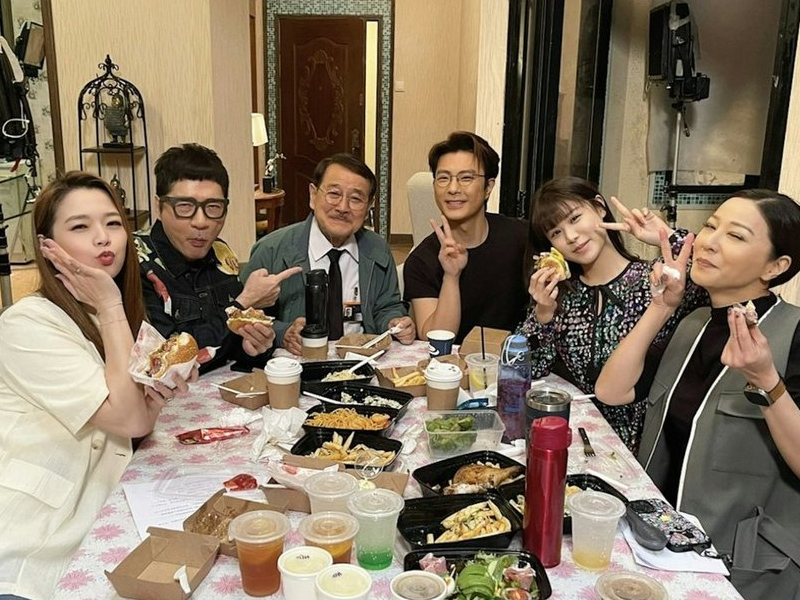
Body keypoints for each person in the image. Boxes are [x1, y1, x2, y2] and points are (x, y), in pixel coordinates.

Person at [595, 190, 800, 600]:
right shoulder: (694, 322)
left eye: (736, 236)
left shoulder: (793, 333)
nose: (709, 242)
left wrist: (766, 380)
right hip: (659, 544)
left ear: (776, 266)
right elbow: (611, 391)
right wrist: (661, 308)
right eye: (710, 226)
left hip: (742, 566)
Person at [0, 172, 191, 600]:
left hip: (97, 529)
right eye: (80, 226)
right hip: (29, 545)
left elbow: (139, 418)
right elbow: (128, 418)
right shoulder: (25, 324)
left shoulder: (115, 318)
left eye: (113, 223)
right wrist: (108, 304)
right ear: (48, 246)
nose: (103, 238)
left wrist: (160, 391)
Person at [518, 176, 707, 454]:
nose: (571, 237)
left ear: (599, 207)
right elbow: (522, 372)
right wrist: (542, 315)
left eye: (575, 218)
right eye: (556, 233)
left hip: (647, 446)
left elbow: (722, 272)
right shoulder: (562, 296)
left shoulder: (655, 280)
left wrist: (666, 235)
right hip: (577, 441)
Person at [134, 143, 300, 372]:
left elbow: (229, 346)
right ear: (159, 206)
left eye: (213, 207)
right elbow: (166, 361)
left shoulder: (221, 253)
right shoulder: (136, 262)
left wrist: (254, 347)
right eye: (185, 206)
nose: (201, 222)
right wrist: (243, 302)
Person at [242, 153, 414, 355]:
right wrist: (283, 333)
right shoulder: (271, 249)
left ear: (368, 206)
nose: (343, 207)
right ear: (313, 195)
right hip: (296, 364)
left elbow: (387, 306)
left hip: (360, 359)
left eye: (356, 199)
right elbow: (244, 317)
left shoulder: (377, 249)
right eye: (334, 194)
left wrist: (393, 321)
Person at [403, 131, 528, 343]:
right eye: (443, 178)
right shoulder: (421, 260)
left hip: (516, 359)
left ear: (488, 187)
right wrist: (451, 276)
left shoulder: (522, 237)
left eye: (466, 178)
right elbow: (434, 339)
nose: (453, 188)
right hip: (453, 361)